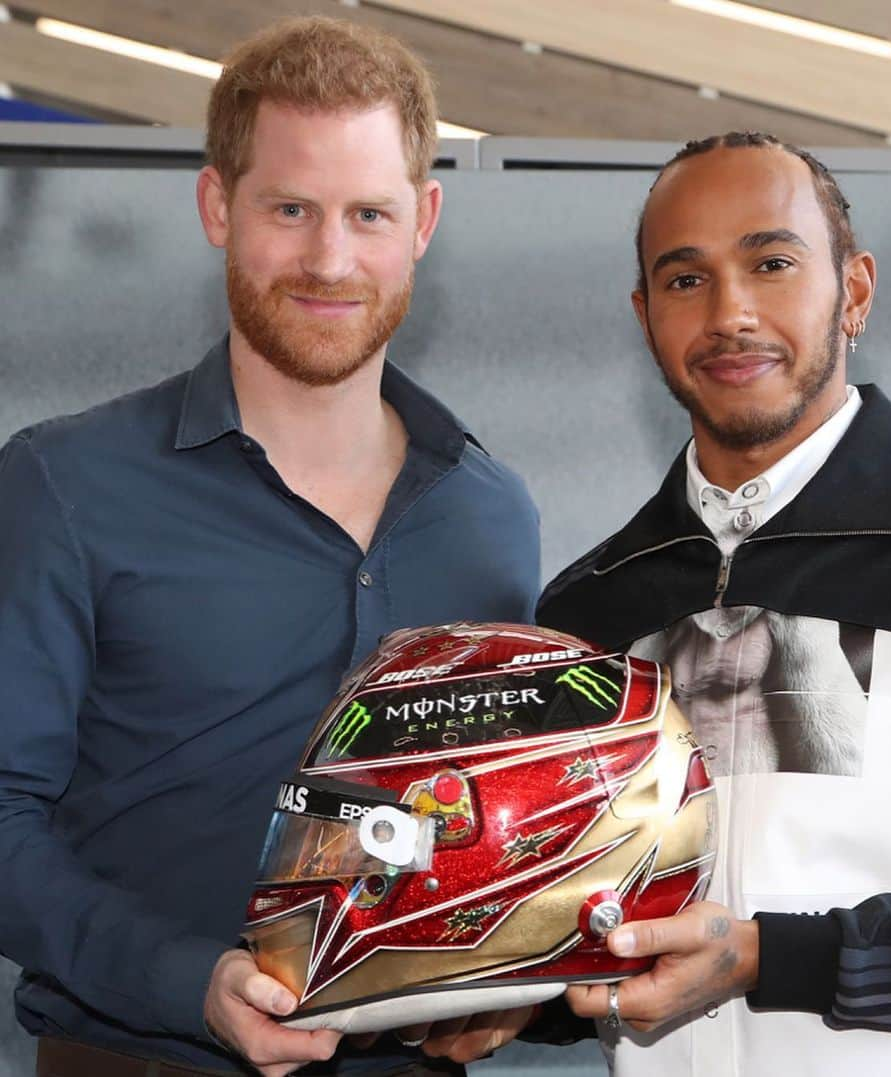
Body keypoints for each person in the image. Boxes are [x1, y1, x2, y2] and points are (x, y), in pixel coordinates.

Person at [0, 16, 541, 1077]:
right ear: (217, 206)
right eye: (289, 208)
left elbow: (488, 822)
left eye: (368, 213)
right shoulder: (64, 487)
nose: (330, 259)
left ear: (423, 219)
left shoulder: (491, 515)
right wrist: (186, 981)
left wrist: (502, 984)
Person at [537, 131, 891, 1075]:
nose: (730, 312)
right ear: (644, 315)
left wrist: (767, 959)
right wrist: (501, 1000)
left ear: (855, 291)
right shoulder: (591, 607)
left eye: (772, 262)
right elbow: (577, 921)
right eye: (684, 279)